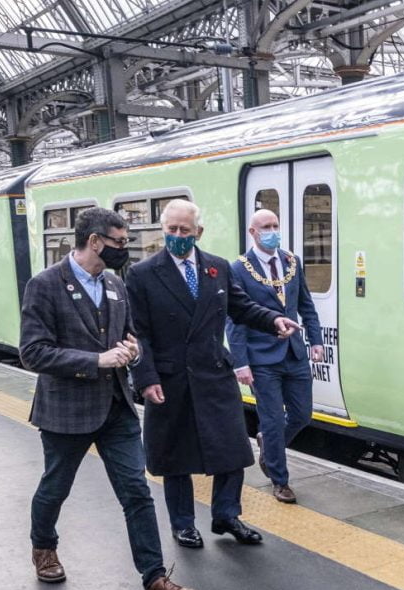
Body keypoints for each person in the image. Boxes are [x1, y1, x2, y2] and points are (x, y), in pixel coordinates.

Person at [20, 207, 197, 590]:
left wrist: (133, 351)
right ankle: (43, 546)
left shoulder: (116, 284)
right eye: (119, 242)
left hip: (116, 408)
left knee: (136, 491)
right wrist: (95, 361)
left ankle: (155, 579)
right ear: (96, 241)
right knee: (56, 486)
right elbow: (32, 352)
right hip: (67, 410)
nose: (125, 248)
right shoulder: (45, 285)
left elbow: (128, 335)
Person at [126, 199, 300, 549]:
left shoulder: (217, 268)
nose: (177, 236)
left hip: (213, 373)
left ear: (198, 233)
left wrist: (272, 319)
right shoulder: (143, 274)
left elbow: (241, 307)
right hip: (170, 378)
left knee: (233, 449)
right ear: (164, 230)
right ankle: (183, 523)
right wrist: (146, 378)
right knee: (176, 457)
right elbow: (137, 330)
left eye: (184, 231)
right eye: (171, 230)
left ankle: (226, 515)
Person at [227, 209, 324, 504]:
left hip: (294, 352)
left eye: (275, 225)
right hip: (260, 358)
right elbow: (235, 319)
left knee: (301, 414)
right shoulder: (238, 269)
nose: (272, 231)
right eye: (266, 227)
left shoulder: (292, 262)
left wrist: (316, 341)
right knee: (271, 420)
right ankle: (280, 481)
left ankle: (268, 447)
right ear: (253, 233)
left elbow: (305, 305)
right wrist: (240, 363)